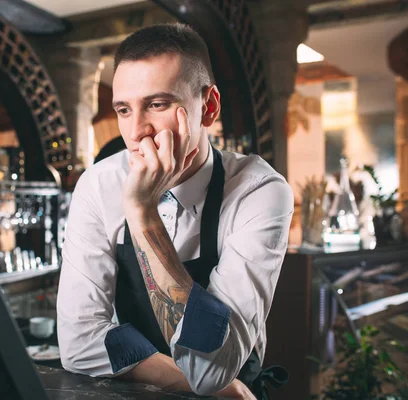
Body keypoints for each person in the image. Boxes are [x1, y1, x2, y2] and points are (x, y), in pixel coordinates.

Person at [57, 23, 293, 399]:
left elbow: (209, 368)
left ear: (208, 107)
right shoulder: (98, 184)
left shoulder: (259, 191)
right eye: (123, 109)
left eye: (157, 104)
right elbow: (78, 342)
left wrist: (142, 211)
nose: (135, 132)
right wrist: (215, 386)